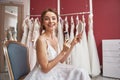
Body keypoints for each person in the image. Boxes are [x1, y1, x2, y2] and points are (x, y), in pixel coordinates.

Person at [24, 8, 91, 80]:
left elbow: (61, 60)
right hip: (44, 74)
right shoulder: (41, 40)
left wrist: (72, 44)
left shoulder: (55, 38)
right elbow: (45, 69)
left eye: (53, 18)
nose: (51, 21)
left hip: (55, 68)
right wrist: (63, 51)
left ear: (57, 21)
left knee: (81, 72)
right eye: (47, 19)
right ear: (43, 22)